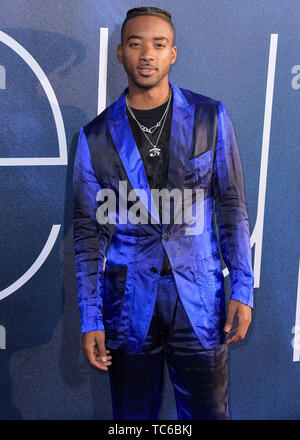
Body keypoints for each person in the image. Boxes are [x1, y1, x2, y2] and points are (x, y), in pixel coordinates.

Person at [73, 6, 254, 420]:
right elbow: (88, 235)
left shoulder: (211, 117)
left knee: (209, 413)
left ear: (174, 53)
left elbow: (232, 207)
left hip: (200, 298)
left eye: (158, 44)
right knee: (134, 420)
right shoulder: (95, 137)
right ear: (120, 53)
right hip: (128, 303)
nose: (147, 54)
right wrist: (90, 318)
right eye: (136, 44)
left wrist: (242, 288)